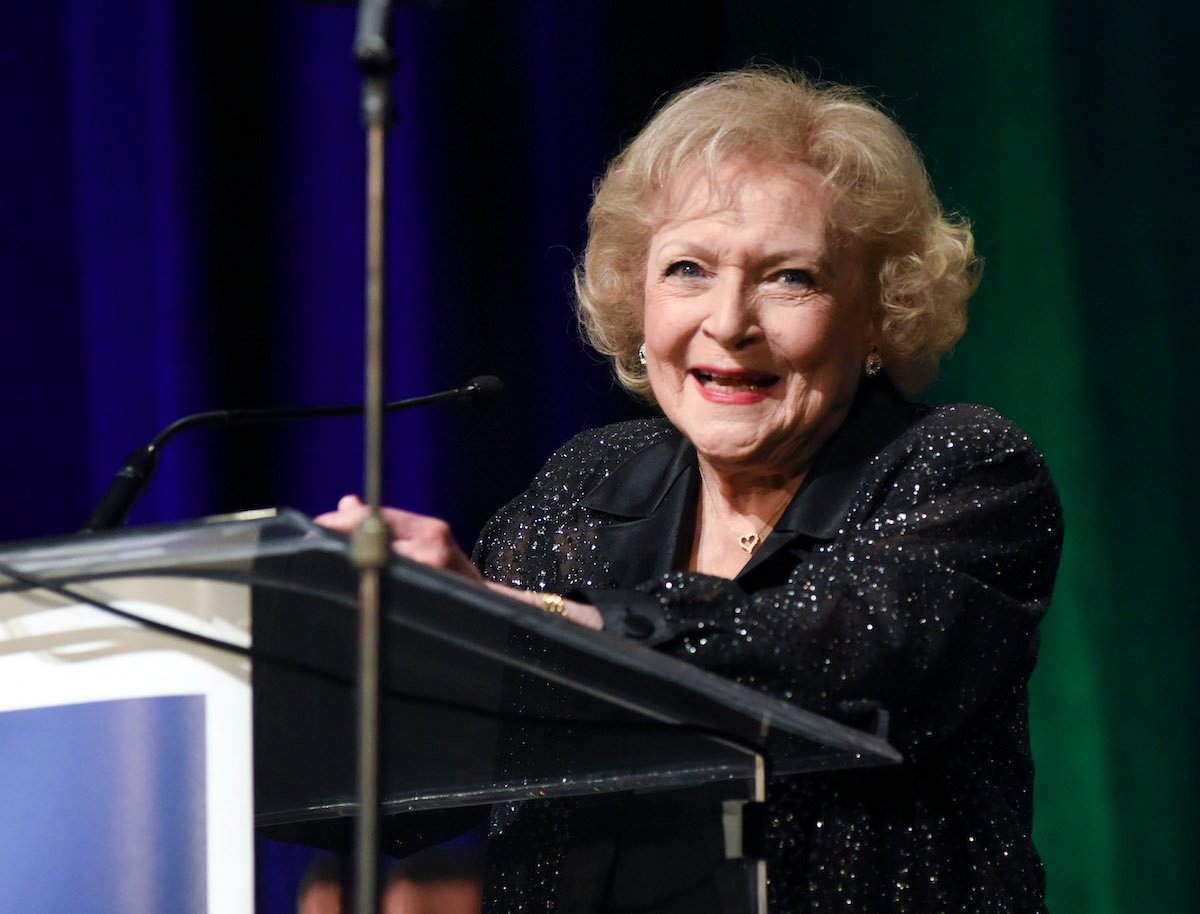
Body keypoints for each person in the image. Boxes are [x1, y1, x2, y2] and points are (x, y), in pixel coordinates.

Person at [317, 67, 1063, 914]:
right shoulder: (583, 487)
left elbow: (832, 653)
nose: (730, 320)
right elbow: (416, 795)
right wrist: (344, 649)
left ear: (877, 315)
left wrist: (523, 624)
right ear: (637, 301)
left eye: (790, 278)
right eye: (687, 270)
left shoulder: (961, 466)